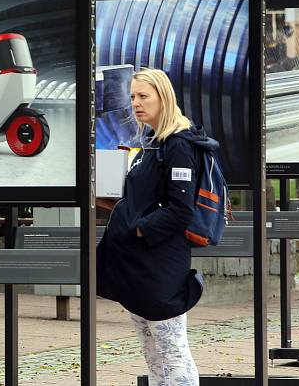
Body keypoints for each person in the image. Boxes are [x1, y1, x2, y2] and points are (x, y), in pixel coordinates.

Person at [96, 68, 211, 386]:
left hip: (158, 266)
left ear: (164, 97)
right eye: (132, 96)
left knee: (172, 351)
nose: (135, 103)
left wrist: (138, 229)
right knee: (152, 351)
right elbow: (145, 198)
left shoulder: (178, 145)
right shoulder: (152, 143)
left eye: (143, 96)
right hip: (138, 265)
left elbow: (180, 209)